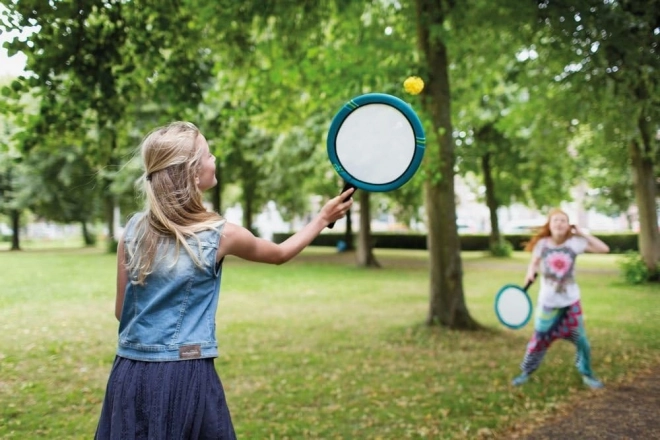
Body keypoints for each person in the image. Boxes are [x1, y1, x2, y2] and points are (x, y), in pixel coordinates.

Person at [95, 121, 354, 439]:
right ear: (192, 173)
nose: (214, 158)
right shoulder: (219, 234)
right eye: (208, 154)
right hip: (184, 375)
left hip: (129, 373)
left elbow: (123, 311)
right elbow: (280, 253)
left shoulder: (132, 230)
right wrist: (323, 219)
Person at [511, 208, 610, 389]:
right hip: (547, 304)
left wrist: (582, 233)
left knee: (581, 341)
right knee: (538, 340)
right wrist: (530, 273)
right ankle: (526, 372)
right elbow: (533, 264)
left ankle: (586, 373)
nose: (559, 223)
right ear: (549, 224)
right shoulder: (542, 244)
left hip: (570, 303)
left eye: (563, 220)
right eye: (555, 220)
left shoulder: (575, 243)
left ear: (568, 226)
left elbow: (604, 249)